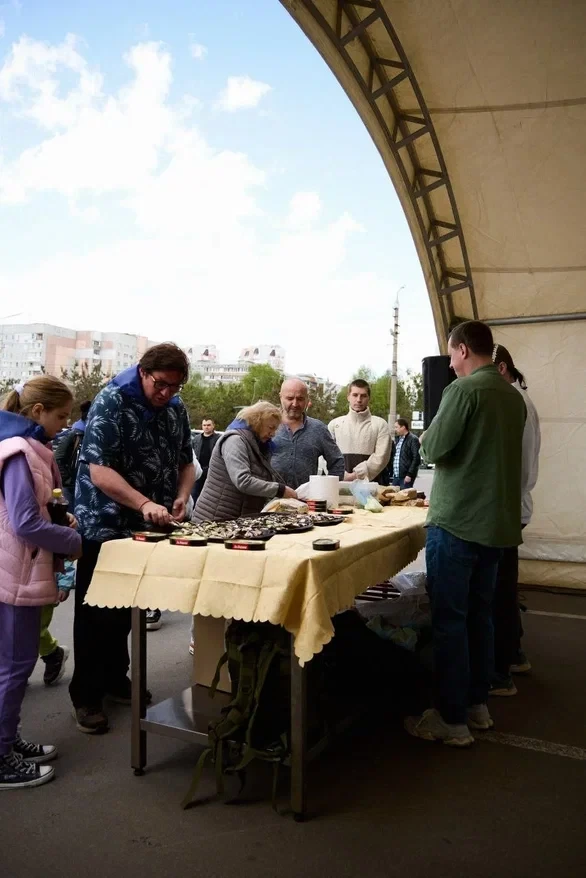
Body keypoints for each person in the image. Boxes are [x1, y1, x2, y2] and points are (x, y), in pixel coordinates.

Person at [406, 320, 526, 747]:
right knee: (480, 617)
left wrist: (427, 436)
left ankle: (452, 719)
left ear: (460, 350)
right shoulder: (512, 397)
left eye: (451, 353)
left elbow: (433, 448)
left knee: (450, 622)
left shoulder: (462, 390)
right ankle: (477, 705)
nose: (451, 362)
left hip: (457, 522)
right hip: (495, 525)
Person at [70, 343, 195, 734]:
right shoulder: (111, 401)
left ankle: (114, 676)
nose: (167, 393)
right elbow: (100, 471)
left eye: (175, 387)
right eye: (161, 384)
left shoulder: (175, 407)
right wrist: (143, 503)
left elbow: (186, 461)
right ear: (143, 372)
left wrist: (181, 495)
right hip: (104, 522)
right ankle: (86, 694)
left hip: (149, 523)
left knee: (129, 607)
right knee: (96, 611)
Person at [0, 377, 81, 789]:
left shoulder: (25, 448)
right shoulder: (21, 451)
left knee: (13, 664)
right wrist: (72, 540)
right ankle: (1, 756)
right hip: (17, 573)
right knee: (14, 667)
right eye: (61, 415)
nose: (65, 424)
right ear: (37, 411)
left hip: (17, 569)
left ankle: (8, 739)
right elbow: (25, 522)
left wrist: (58, 518)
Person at [490, 344, 541, 696]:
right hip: (509, 506)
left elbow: (520, 467)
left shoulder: (514, 403)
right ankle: (514, 652)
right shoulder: (517, 400)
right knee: (504, 584)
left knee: (499, 587)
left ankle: (503, 663)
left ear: (502, 369)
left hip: (507, 508)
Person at [194, 401, 297, 522]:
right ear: (257, 421)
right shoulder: (235, 440)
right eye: (271, 428)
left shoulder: (257, 445)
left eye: (275, 429)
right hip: (215, 519)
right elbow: (243, 481)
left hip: (233, 519)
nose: (273, 434)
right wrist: (280, 490)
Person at [272, 378, 345, 488]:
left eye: (300, 399)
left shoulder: (318, 429)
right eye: (290, 398)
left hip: (305, 497)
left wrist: (328, 489)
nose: (295, 404)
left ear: (307, 399)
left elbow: (337, 462)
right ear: (280, 397)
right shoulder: (266, 425)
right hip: (269, 497)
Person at [328, 379, 391, 483]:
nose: (359, 399)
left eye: (363, 396)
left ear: (369, 398)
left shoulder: (380, 425)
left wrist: (356, 475)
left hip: (371, 487)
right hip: (339, 485)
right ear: (348, 397)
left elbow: (381, 457)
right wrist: (341, 474)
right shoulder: (334, 425)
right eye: (355, 395)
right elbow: (326, 456)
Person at [54, 399, 92, 508]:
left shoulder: (89, 434)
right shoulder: (74, 434)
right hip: (70, 488)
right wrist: (68, 480)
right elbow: (58, 458)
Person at [191, 418, 220, 502]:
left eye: (208, 425)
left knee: (209, 496)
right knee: (194, 495)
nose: (206, 427)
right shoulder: (196, 439)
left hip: (212, 471)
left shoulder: (218, 439)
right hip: (199, 470)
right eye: (204, 425)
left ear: (213, 426)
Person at [390, 418, 421, 489]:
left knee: (405, 495)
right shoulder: (397, 439)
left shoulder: (413, 439)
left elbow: (416, 458)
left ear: (403, 427)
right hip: (396, 475)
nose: (395, 429)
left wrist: (409, 474)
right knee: (393, 495)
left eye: (396, 427)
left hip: (406, 476)